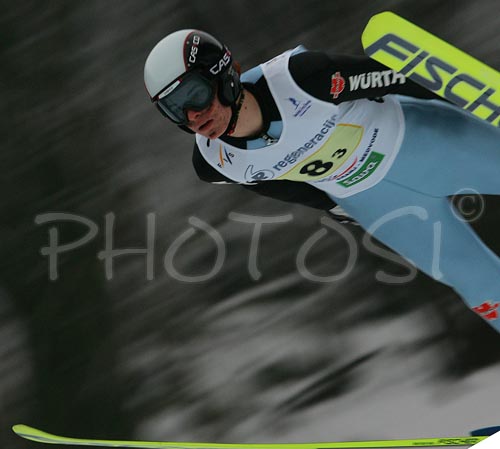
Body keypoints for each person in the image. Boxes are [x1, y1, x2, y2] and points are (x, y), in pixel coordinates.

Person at [144, 29, 500, 333]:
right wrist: (336, 207)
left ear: (224, 74)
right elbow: (278, 182)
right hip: (384, 208)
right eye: (174, 108)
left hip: (427, 143)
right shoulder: (213, 163)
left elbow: (406, 76)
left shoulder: (302, 78)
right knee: (479, 284)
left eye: (194, 95)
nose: (192, 116)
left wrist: (480, 101)